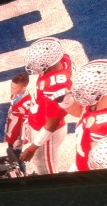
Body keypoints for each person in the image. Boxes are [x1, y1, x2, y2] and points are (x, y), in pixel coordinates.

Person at [20, 37, 73, 175]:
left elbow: (51, 123)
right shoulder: (62, 60)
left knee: (47, 171)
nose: (35, 65)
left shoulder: (54, 86)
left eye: (39, 62)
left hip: (47, 132)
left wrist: (32, 148)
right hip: (40, 120)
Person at [68, 59, 107, 171]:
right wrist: (65, 102)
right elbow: (79, 113)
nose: (80, 93)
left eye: (86, 88)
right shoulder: (94, 103)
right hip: (80, 163)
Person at [5, 72, 31, 174]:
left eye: (14, 88)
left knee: (18, 158)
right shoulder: (15, 95)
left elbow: (26, 125)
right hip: (11, 130)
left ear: (23, 88)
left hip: (17, 136)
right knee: (11, 153)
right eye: (11, 87)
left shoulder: (26, 105)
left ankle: (22, 173)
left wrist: (20, 140)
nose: (11, 90)